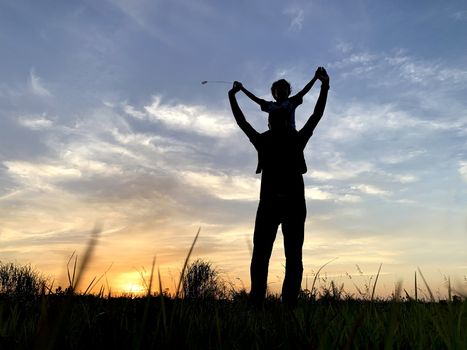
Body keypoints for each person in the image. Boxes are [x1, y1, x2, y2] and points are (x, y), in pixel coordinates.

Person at [228, 67, 330, 308]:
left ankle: (279, 305)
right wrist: (324, 85)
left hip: (284, 205)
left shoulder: (274, 140)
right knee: (273, 256)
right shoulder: (282, 139)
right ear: (272, 119)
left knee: (284, 256)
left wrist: (233, 97)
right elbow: (316, 115)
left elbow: (316, 115)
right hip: (278, 205)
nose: (277, 119)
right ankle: (264, 304)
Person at [236, 72, 318, 129]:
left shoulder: (292, 101)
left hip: (291, 137)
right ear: (274, 93)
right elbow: (254, 98)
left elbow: (304, 91)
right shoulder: (270, 105)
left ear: (288, 92)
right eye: (278, 88)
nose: (281, 90)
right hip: (274, 136)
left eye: (284, 88)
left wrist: (315, 78)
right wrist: (242, 88)